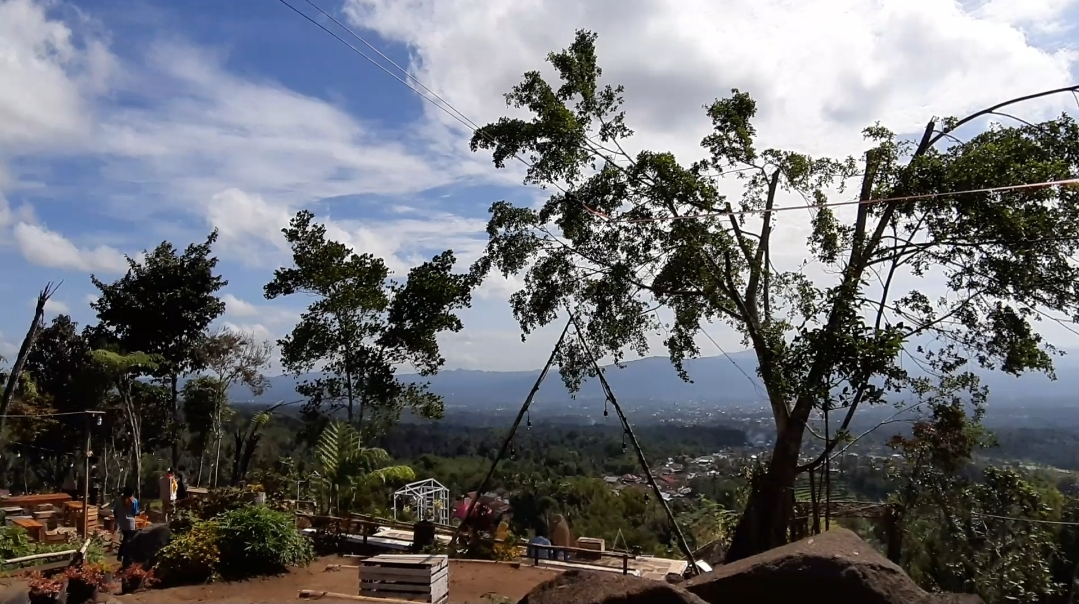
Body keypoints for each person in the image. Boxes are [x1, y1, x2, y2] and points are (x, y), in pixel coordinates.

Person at [112, 487, 139, 568]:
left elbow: (114, 511)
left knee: (125, 539)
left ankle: (121, 556)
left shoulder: (118, 500)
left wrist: (117, 519)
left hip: (122, 522)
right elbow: (136, 513)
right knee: (128, 540)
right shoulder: (134, 501)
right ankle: (123, 556)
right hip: (130, 523)